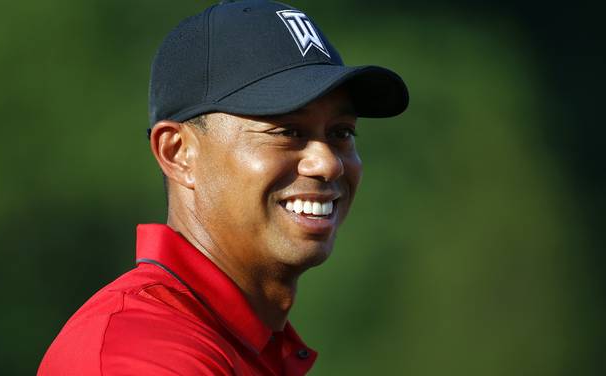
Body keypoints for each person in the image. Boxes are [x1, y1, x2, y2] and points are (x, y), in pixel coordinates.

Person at [38, 0, 408, 374]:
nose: (328, 163)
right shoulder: (135, 353)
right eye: (287, 132)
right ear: (179, 152)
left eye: (341, 133)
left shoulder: (240, 342)